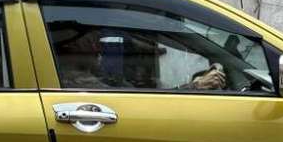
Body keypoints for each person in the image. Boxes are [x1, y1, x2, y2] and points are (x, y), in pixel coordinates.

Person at [55, 29, 226, 91]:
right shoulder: (78, 81)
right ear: (70, 46)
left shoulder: (93, 74)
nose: (98, 48)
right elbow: (138, 107)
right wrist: (196, 86)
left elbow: (122, 87)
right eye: (90, 42)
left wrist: (148, 84)